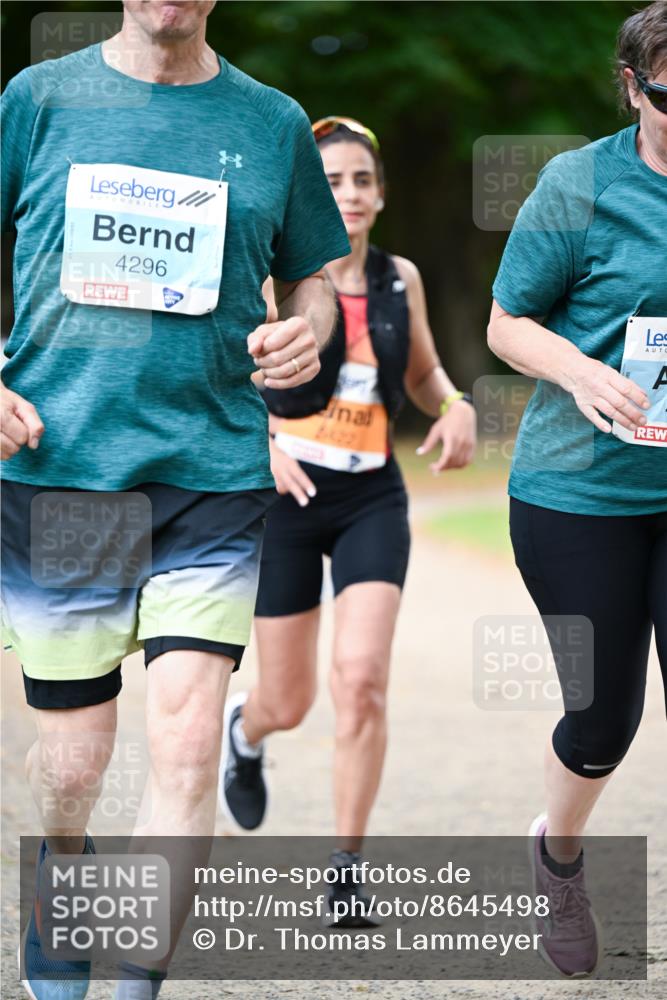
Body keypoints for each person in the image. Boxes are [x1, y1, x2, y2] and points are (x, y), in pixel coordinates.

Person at [0, 1, 350, 997]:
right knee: (71, 767)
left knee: (190, 738)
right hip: (63, 466)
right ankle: (62, 879)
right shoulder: (37, 100)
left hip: (212, 469)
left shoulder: (271, 120)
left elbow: (314, 279)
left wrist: (309, 327)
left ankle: (136, 982)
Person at [218, 116, 477, 924]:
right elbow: (217, 375)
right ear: (309, 196)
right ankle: (246, 731)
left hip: (372, 497)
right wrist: (263, 441)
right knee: (287, 701)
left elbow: (427, 370)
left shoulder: (402, 277)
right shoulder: (273, 278)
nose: (350, 193)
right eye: (331, 182)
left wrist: (458, 405)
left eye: (362, 179)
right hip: (287, 500)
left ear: (380, 193)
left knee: (360, 682)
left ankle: (344, 870)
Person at [487, 0, 667, 978]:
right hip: (580, 492)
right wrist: (579, 370)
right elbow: (506, 322)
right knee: (604, 719)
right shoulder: (578, 183)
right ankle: (557, 854)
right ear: (633, 85)